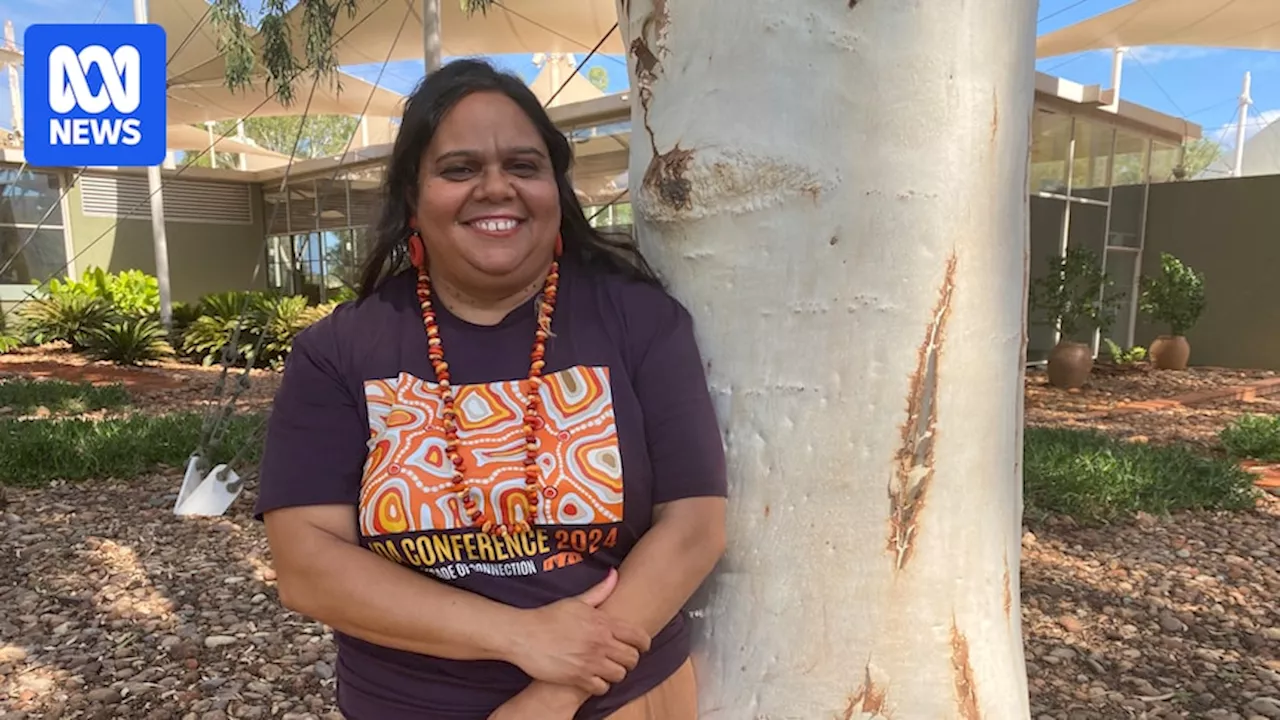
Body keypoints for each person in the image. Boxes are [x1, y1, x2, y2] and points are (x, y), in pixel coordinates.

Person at [255, 58, 728, 720]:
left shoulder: (640, 321)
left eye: (524, 166)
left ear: (556, 192)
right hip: (408, 701)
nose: (496, 187)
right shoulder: (341, 350)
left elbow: (695, 526)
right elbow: (306, 565)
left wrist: (553, 694)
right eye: (459, 168)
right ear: (412, 198)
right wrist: (521, 636)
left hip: (619, 698)